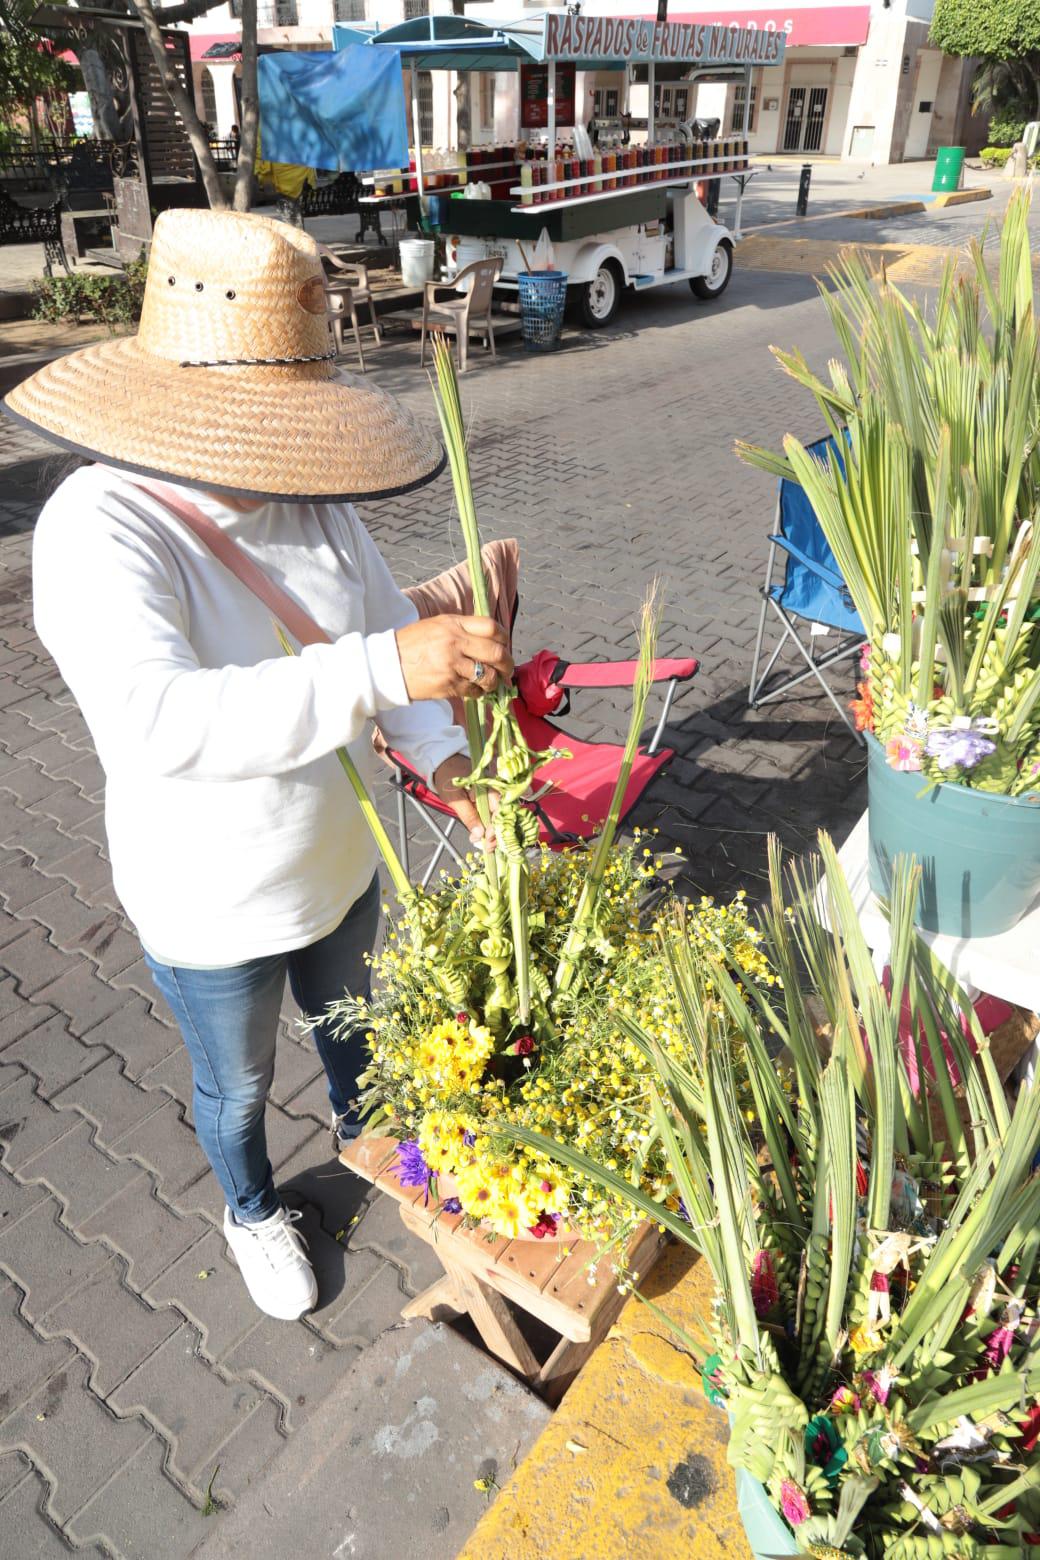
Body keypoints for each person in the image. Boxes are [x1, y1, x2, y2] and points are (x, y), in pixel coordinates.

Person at [5, 209, 512, 1322]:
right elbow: (161, 722)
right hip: (209, 899)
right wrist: (385, 666)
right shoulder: (99, 528)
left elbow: (393, 654)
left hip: (338, 863)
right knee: (234, 1086)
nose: (281, 443)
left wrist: (449, 769)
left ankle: (379, 1154)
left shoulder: (312, 498)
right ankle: (248, 1211)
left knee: (358, 1041)